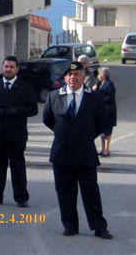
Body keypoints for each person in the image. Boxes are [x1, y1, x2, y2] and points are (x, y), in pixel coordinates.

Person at [43, 61, 113, 239]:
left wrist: (84, 136)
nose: (73, 78)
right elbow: (48, 120)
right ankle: (70, 225)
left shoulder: (94, 97)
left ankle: (99, 227)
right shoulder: (53, 96)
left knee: (91, 192)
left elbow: (102, 122)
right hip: (62, 152)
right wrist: (65, 134)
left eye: (77, 74)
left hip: (85, 152)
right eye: (69, 75)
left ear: (83, 77)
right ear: (65, 77)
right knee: (65, 192)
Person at [0, 56, 38, 207]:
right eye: (6, 66)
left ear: (17, 69)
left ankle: (21, 197)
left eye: (11, 67)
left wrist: (16, 111)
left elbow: (33, 109)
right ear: (2, 67)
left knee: (17, 166)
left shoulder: (25, 87)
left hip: (16, 134)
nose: (8, 69)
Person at [93, 67, 117, 157]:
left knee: (107, 131)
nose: (98, 76)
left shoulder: (109, 84)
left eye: (99, 74)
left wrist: (99, 98)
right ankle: (102, 149)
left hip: (108, 111)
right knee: (102, 131)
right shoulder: (99, 84)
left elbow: (109, 97)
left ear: (103, 75)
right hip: (101, 111)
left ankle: (107, 149)